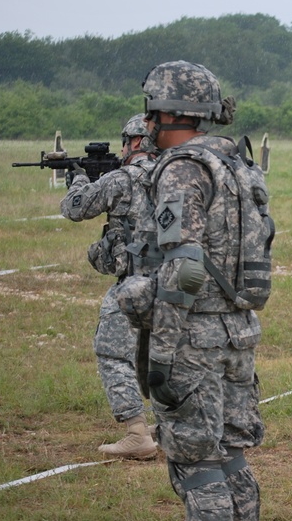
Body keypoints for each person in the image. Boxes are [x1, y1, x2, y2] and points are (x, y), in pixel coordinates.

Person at [141, 60, 264, 521]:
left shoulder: (183, 168)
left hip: (196, 338)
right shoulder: (234, 163)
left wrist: (162, 352)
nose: (147, 123)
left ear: (167, 114)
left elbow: (186, 268)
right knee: (231, 457)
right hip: (239, 332)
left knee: (197, 467)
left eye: (151, 112)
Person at [60, 115, 160, 459]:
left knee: (112, 352)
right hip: (177, 281)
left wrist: (77, 181)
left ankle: (136, 432)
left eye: (124, 141)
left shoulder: (121, 179)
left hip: (135, 283)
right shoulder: (175, 175)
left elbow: (75, 209)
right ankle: (165, 426)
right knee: (162, 356)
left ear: (134, 142)